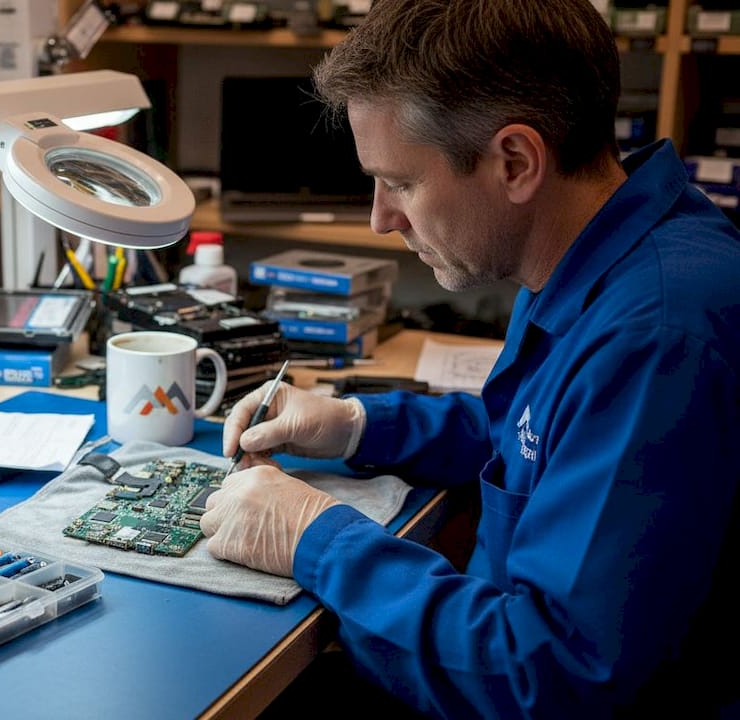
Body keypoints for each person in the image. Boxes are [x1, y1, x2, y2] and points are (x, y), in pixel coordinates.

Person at [200, 0, 740, 716]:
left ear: (515, 162)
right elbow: (542, 440)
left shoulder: (657, 337)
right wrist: (361, 424)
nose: (380, 218)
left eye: (400, 182)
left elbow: (548, 677)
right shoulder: (594, 246)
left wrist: (312, 537)